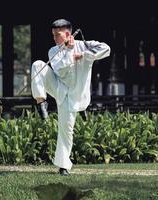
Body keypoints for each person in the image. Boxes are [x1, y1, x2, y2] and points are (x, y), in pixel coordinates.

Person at [31, 19, 110, 176]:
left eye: (57, 35)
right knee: (37, 65)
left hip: (77, 95)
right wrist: (68, 50)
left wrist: (85, 55)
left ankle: (63, 166)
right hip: (60, 89)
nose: (54, 38)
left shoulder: (84, 45)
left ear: (67, 33)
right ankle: (41, 102)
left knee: (66, 130)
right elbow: (60, 70)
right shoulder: (53, 51)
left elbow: (106, 49)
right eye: (53, 35)